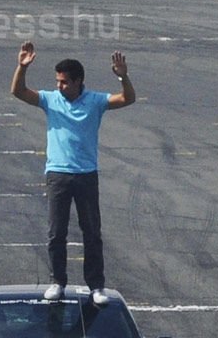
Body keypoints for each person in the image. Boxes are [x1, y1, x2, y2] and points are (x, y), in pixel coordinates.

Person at [11, 41, 136, 305]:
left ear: (79, 81)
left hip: (87, 174)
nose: (59, 86)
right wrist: (21, 67)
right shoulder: (50, 99)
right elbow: (19, 91)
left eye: (65, 82)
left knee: (92, 232)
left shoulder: (95, 101)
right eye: (57, 81)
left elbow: (128, 99)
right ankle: (57, 281)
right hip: (57, 174)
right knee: (57, 232)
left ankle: (96, 286)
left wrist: (123, 76)